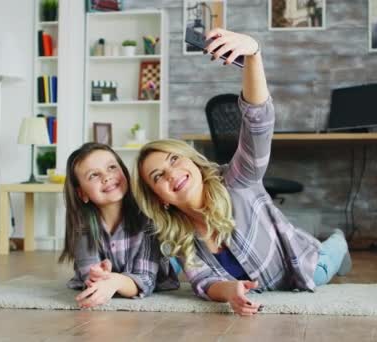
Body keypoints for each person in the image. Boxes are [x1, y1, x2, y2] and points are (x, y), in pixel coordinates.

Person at [132, 28, 351, 316]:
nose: (171, 174)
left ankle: (339, 240)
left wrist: (253, 56)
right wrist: (230, 292)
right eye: (158, 176)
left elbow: (258, 125)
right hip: (259, 286)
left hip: (307, 267)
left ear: (194, 163)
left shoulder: (237, 181)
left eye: (174, 159)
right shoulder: (179, 236)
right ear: (159, 198)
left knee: (332, 250)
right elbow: (204, 282)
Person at [59, 142, 178, 309]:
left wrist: (114, 281)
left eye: (112, 167)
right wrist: (98, 275)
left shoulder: (148, 218)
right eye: (93, 175)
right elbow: (89, 278)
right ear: (82, 193)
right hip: (117, 276)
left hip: (157, 264)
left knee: (173, 257)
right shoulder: (83, 226)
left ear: (124, 171)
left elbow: (145, 280)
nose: (106, 177)